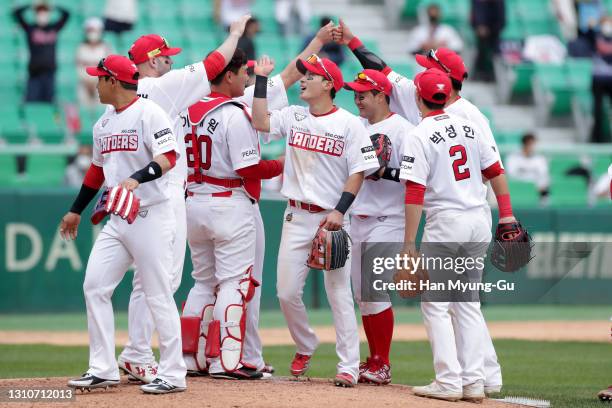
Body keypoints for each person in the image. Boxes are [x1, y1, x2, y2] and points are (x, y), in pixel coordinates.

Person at [180, 22, 337, 378]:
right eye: (243, 73)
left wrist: (316, 42)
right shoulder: (238, 107)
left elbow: (289, 75)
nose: (248, 78)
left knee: (203, 283)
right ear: (230, 76)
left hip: (193, 201)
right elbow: (249, 167)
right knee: (239, 283)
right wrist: (283, 164)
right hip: (232, 201)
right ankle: (232, 359)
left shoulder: (186, 108)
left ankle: (192, 358)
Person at [114, 16, 251, 384]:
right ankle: (139, 352)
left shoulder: (122, 96)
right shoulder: (162, 88)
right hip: (163, 192)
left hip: (131, 195)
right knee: (163, 279)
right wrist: (235, 33)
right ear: (152, 62)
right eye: (166, 57)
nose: (171, 62)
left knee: (145, 279)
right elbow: (213, 65)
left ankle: (136, 351)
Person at [251, 53, 380, 387]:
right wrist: (263, 80)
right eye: (303, 75)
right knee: (285, 292)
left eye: (310, 76)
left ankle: (349, 365)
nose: (303, 80)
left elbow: (358, 173)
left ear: (329, 84)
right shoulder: (294, 115)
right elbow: (260, 121)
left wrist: (340, 211)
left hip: (332, 219)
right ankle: (306, 343)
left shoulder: (350, 124)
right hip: (295, 215)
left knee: (338, 293)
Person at [60, 54, 186, 394]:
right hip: (119, 218)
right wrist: (76, 209)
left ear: (113, 81)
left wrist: (137, 177)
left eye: (99, 78)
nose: (95, 83)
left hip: (151, 214)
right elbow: (97, 170)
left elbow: (168, 157)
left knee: (158, 294)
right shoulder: (103, 122)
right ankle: (102, 368)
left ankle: (173, 373)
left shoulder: (149, 112)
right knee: (95, 286)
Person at [399, 68, 515, 402]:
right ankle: (474, 382)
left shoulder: (419, 134)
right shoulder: (470, 125)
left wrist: (408, 243)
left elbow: (414, 193)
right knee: (467, 303)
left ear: (419, 97)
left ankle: (449, 380)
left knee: (435, 305)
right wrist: (506, 214)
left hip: (447, 220)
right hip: (478, 217)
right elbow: (495, 172)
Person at [343, 69, 414, 385]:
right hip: (358, 216)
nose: (357, 98)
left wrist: (383, 171)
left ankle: (381, 363)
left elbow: (414, 178)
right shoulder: (355, 126)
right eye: (355, 93)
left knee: (373, 287)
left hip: (389, 217)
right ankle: (372, 361)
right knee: (362, 293)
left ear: (382, 95)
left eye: (363, 93)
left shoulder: (403, 130)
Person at [12, 1, 70, 102]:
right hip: (34, 74)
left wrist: (52, 6)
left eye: (45, 13)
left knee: (49, 102)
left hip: (50, 73)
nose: (42, 15)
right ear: (36, 15)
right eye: (39, 13)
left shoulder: (54, 28)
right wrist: (32, 5)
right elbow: (16, 14)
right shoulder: (30, 28)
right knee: (31, 102)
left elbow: (67, 14)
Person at [76, 17, 113, 108]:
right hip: (84, 85)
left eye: (95, 30)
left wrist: (98, 84)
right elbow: (78, 68)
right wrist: (87, 83)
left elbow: (109, 70)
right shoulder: (81, 48)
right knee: (83, 108)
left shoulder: (106, 48)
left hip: (101, 86)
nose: (92, 33)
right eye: (90, 30)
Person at [506, 133, 550, 205]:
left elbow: (543, 173)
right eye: (530, 144)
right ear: (524, 144)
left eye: (533, 144)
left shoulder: (540, 158)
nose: (532, 147)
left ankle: (544, 203)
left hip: (536, 183)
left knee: (545, 179)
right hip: (517, 182)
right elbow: (511, 173)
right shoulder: (512, 157)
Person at [470, 0, 505, 81]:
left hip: (494, 35)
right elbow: (472, 17)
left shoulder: (499, 3)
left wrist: (489, 30)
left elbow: (501, 22)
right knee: (480, 50)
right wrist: (478, 27)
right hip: (479, 36)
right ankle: (479, 73)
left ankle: (494, 75)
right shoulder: (477, 2)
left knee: (495, 53)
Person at [591, 15, 612, 143]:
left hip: (611, 79)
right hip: (598, 78)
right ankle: (597, 138)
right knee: (598, 110)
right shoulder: (595, 36)